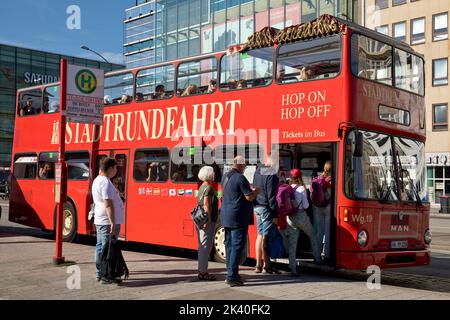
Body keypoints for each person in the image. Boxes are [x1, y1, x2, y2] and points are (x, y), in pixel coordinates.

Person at [221, 156, 261, 287]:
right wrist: (257, 191)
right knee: (237, 247)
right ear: (241, 165)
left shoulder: (225, 176)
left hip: (226, 216)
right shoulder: (240, 178)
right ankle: (232, 276)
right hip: (238, 217)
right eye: (245, 165)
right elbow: (249, 197)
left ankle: (231, 273)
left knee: (229, 246)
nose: (245, 167)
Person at [92, 157, 126, 283]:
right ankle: (105, 274)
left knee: (101, 247)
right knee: (107, 249)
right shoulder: (105, 182)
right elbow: (108, 204)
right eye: (116, 167)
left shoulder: (98, 180)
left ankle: (100, 272)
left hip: (101, 219)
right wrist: (112, 222)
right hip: (107, 220)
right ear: (111, 168)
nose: (116, 170)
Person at [282, 169, 322, 276]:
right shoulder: (301, 188)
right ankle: (317, 259)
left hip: (289, 217)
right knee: (312, 236)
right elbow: (306, 206)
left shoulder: (288, 187)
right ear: (300, 177)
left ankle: (293, 268)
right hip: (301, 216)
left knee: (292, 243)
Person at [253, 153, 281, 274]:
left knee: (259, 235)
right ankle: (266, 265)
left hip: (257, 206)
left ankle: (258, 264)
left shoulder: (258, 170)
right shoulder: (271, 174)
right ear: (274, 161)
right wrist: (275, 213)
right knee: (266, 236)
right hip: (266, 208)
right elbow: (271, 196)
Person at [195, 166, 219, 281]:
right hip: (207, 221)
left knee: (202, 245)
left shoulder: (202, 187)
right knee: (205, 246)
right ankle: (203, 272)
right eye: (213, 173)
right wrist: (208, 221)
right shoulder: (208, 188)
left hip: (200, 220)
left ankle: (202, 270)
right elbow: (206, 205)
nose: (214, 174)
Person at [311, 160, 332, 262]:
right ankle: (327, 255)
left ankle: (316, 255)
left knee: (319, 232)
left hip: (318, 207)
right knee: (328, 232)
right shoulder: (332, 180)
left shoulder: (318, 178)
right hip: (328, 207)